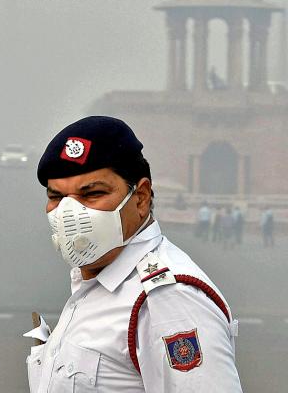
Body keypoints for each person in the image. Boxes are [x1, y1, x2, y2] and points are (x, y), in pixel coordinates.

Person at [26, 116, 241, 392]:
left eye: (92, 194)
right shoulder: (96, 283)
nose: (68, 213)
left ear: (140, 198)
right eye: (56, 197)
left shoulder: (167, 300)